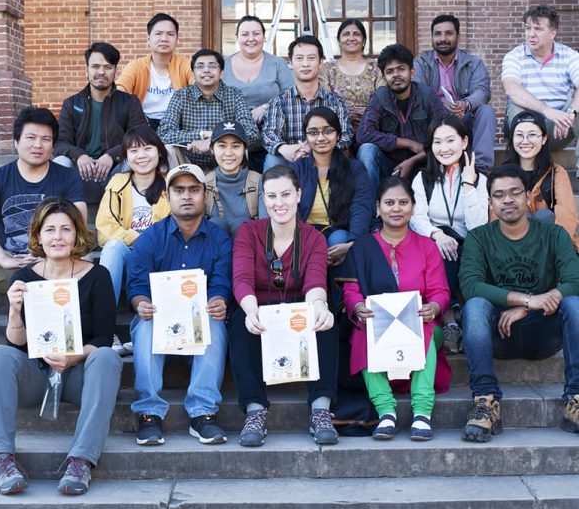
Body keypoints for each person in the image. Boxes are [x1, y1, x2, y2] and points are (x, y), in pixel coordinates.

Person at [0, 198, 122, 495]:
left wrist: (73, 358)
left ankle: (81, 460)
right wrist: (15, 310)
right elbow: (15, 343)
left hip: (79, 375)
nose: (57, 237)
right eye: (50, 230)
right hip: (36, 372)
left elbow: (103, 338)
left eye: (66, 230)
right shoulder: (23, 278)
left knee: (108, 357)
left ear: (77, 234)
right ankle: (2, 457)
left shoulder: (98, 276)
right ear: (38, 235)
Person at [459, 164, 579, 443]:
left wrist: (528, 306)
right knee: (475, 306)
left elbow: (574, 279)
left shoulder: (554, 235)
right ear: (490, 202)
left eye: (515, 192)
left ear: (528, 197)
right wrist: (525, 298)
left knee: (573, 303)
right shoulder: (479, 238)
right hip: (500, 335)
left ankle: (575, 398)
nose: (508, 200)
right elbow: (470, 285)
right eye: (499, 195)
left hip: (544, 332)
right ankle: (485, 402)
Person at [230, 165, 339, 447]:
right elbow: (242, 279)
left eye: (286, 194)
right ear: (263, 199)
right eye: (272, 196)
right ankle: (255, 412)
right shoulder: (248, 231)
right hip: (261, 309)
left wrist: (319, 306)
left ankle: (321, 410)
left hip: (297, 311)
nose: (279, 203)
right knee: (240, 326)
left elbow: (315, 281)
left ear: (299, 194)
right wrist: (250, 310)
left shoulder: (314, 237)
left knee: (325, 322)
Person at [126, 164, 232, 447]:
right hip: (159, 317)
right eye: (179, 190)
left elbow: (222, 282)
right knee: (145, 325)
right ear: (167, 197)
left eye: (194, 190)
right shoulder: (150, 238)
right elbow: (136, 286)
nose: (187, 196)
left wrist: (219, 300)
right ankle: (149, 413)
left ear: (205, 196)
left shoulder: (219, 238)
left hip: (200, 319)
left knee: (215, 320)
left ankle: (203, 413)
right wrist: (142, 303)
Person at [339, 176, 451, 442]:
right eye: (389, 203)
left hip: (420, 322)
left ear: (413, 207)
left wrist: (434, 307)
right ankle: (386, 411)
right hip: (377, 324)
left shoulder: (427, 247)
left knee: (426, 330)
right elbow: (351, 290)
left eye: (403, 202)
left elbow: (440, 291)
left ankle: (422, 412)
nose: (396, 208)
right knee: (362, 334)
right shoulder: (363, 247)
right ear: (378, 207)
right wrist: (357, 307)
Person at [0, 107, 86, 355]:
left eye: (46, 139)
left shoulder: (67, 178)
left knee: (87, 260)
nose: (38, 144)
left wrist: (50, 259)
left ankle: (80, 331)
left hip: (57, 266)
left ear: (53, 145)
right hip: (10, 268)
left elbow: (79, 222)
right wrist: (4, 258)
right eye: (31, 137)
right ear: (16, 141)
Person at [410, 115, 489, 354]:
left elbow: (478, 226)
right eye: (437, 142)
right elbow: (416, 218)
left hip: (469, 244)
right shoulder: (423, 178)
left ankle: (461, 317)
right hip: (436, 244)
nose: (444, 148)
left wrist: (468, 186)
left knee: (467, 249)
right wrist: (436, 234)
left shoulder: (480, 179)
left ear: (464, 142)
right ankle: (451, 321)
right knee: (443, 250)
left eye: (450, 140)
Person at [95, 126, 171, 353]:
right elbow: (104, 229)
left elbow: (172, 229)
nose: (141, 156)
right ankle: (104, 334)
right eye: (134, 150)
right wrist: (139, 238)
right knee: (113, 247)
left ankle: (146, 335)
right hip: (129, 258)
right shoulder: (118, 183)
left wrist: (145, 243)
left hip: (161, 259)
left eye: (148, 149)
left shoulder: (171, 183)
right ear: (126, 157)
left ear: (159, 153)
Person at [54, 42, 148, 191]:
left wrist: (112, 156)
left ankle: (128, 209)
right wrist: (79, 156)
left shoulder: (129, 102)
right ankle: (62, 212)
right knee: (60, 162)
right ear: (87, 70)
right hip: (81, 172)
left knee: (135, 159)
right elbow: (60, 143)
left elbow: (140, 138)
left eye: (108, 67)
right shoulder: (71, 104)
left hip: (116, 171)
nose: (101, 72)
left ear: (115, 70)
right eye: (95, 67)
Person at [357, 44, 445, 195]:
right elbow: (363, 133)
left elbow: (445, 134)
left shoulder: (427, 95)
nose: (396, 75)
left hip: (424, 163)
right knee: (367, 150)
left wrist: (414, 160)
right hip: (390, 165)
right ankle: (372, 210)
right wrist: (408, 143)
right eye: (390, 71)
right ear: (384, 77)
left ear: (412, 71)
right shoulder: (380, 97)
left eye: (401, 69)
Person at [291, 106, 373, 268]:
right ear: (306, 137)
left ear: (338, 135)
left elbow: (361, 206)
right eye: (313, 132)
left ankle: (341, 293)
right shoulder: (297, 169)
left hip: (338, 233)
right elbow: (291, 209)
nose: (321, 138)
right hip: (306, 233)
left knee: (339, 240)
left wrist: (353, 241)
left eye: (327, 131)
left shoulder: (354, 169)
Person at [414, 13, 496, 171]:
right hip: (433, 118)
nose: (442, 38)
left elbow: (482, 91)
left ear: (459, 36)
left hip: (463, 118)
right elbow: (418, 92)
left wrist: (465, 105)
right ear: (432, 37)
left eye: (448, 33)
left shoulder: (473, 63)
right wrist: (441, 108)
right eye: (437, 34)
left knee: (486, 111)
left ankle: (480, 168)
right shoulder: (421, 63)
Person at [157, 49, 259, 172]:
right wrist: (202, 135)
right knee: (168, 148)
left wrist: (214, 140)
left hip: (225, 163)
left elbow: (252, 133)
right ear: (193, 73)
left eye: (212, 66)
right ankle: (177, 189)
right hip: (187, 164)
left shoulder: (234, 95)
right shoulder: (181, 95)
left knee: (242, 148)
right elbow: (164, 134)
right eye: (200, 66)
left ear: (221, 72)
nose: (206, 70)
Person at [502, 5, 579, 167]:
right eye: (528, 28)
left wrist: (571, 114)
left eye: (538, 29)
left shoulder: (569, 56)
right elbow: (511, 88)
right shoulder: (514, 56)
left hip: (560, 130)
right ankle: (523, 173)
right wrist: (546, 111)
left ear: (553, 33)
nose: (531, 34)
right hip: (527, 126)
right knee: (516, 105)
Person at [262, 35, 352, 171]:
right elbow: (269, 134)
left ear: (321, 62)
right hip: (291, 159)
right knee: (272, 158)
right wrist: (285, 148)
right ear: (291, 63)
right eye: (299, 58)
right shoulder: (279, 102)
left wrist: (317, 147)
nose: (305, 64)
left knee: (341, 157)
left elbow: (345, 135)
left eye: (311, 58)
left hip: (325, 157)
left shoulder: (335, 102)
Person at [223, 15, 296, 173]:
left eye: (256, 34)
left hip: (272, 135)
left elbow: (291, 96)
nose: (251, 39)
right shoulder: (223, 65)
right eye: (245, 34)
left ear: (263, 36)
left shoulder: (277, 64)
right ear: (237, 38)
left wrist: (266, 108)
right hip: (234, 138)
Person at [505, 110, 579, 250]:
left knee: (544, 216)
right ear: (512, 139)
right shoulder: (503, 175)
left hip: (551, 248)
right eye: (519, 135)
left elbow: (567, 215)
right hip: (514, 252)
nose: (525, 141)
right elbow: (495, 215)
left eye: (532, 135)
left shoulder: (556, 173)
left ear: (544, 139)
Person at [116, 12, 195, 131]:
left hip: (177, 124)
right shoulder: (136, 66)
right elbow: (120, 90)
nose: (164, 39)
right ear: (149, 38)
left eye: (170, 34)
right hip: (142, 123)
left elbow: (198, 87)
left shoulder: (186, 65)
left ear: (177, 39)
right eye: (158, 34)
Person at [319, 18, 384, 136]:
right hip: (336, 131)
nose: (351, 38)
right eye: (346, 34)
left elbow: (383, 99)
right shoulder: (327, 69)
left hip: (370, 130)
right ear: (339, 41)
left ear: (363, 41)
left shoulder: (376, 68)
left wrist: (367, 113)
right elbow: (324, 101)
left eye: (356, 34)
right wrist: (345, 113)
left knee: (367, 152)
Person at [205, 120, 267, 238]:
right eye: (222, 146)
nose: (228, 153)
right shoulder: (204, 183)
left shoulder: (259, 181)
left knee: (241, 224)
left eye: (236, 146)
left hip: (249, 250)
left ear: (245, 150)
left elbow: (265, 227)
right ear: (212, 149)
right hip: (214, 252)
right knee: (216, 224)